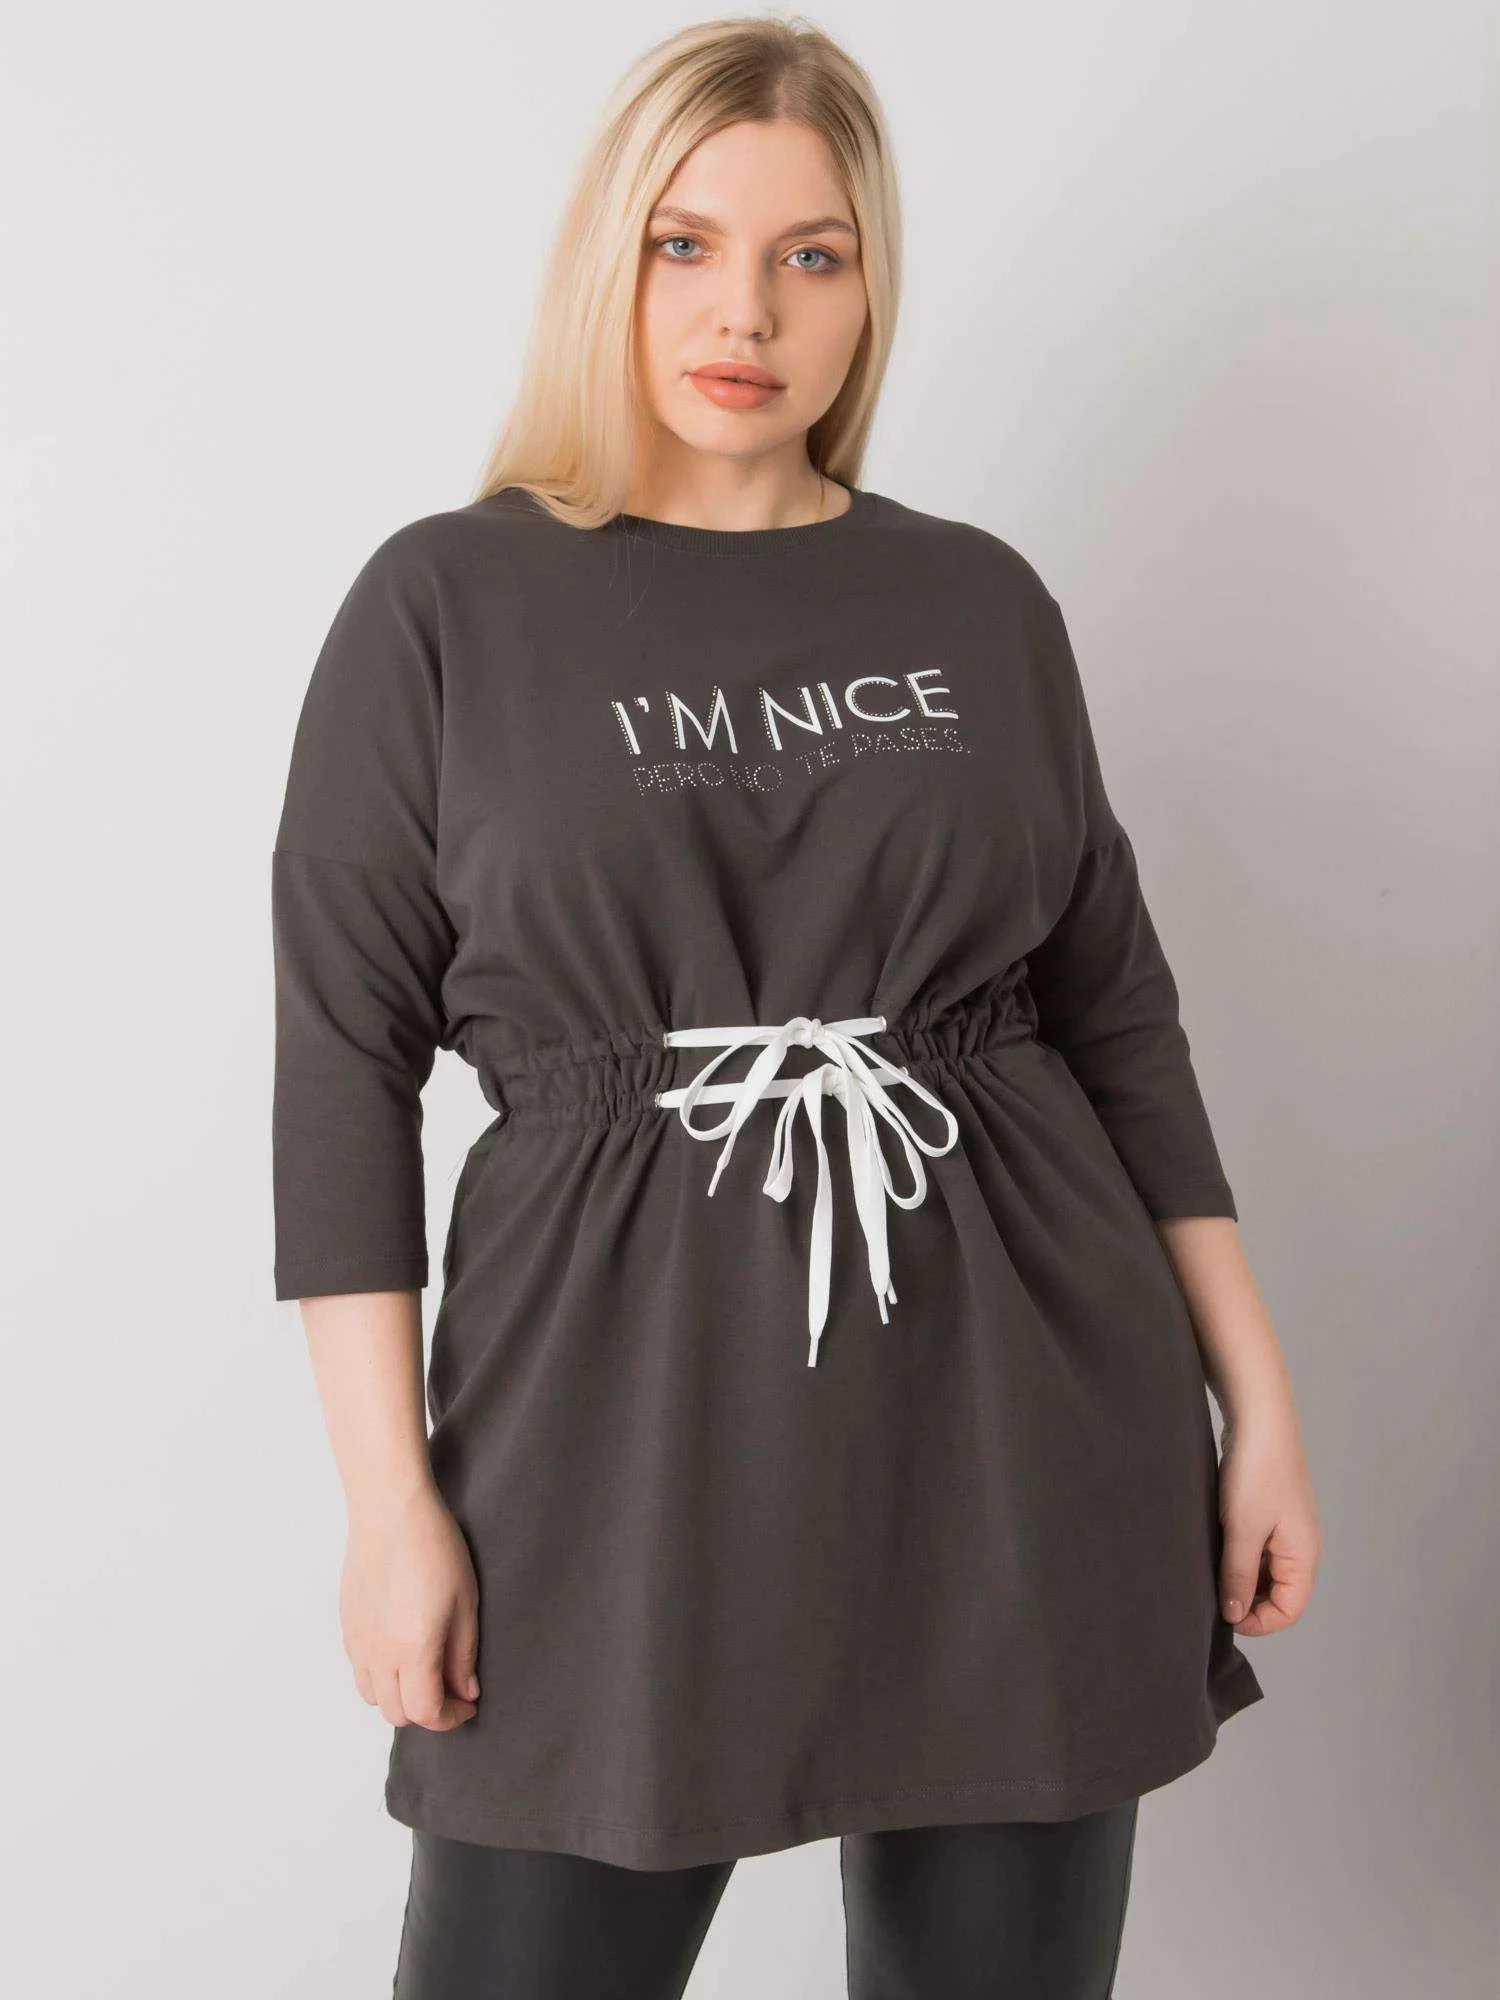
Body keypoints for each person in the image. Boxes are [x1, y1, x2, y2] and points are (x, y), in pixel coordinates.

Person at [270, 17, 1322, 1997]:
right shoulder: (445, 605)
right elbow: (339, 1070)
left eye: (809, 254)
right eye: (685, 244)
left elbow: (1116, 1019)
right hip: (611, 1436)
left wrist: (1254, 1402)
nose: (744, 308)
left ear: (868, 287)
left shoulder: (979, 604)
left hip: (1019, 1426)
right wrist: (389, 1504)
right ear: (609, 260)